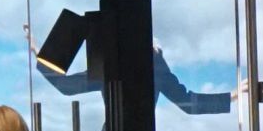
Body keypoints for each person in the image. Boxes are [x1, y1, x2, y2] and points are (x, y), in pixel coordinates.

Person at [32, 39, 245, 117]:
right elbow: (68, 86)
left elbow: (68, 86)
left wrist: (232, 96)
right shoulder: (121, 62)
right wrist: (40, 54)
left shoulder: (148, 61)